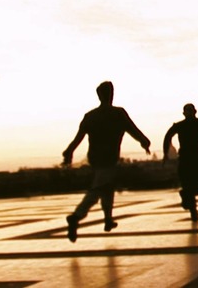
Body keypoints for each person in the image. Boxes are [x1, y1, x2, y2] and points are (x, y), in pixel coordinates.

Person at [62, 81, 151, 242]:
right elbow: (132, 129)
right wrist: (144, 141)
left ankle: (108, 219)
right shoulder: (118, 113)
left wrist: (69, 152)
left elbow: (78, 138)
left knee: (107, 186)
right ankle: (76, 216)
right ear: (110, 94)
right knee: (99, 188)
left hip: (95, 157)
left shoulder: (90, 116)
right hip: (109, 156)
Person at [163, 103, 198, 222]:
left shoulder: (184, 125)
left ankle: (186, 196)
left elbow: (167, 137)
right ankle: (193, 210)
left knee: (194, 186)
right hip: (192, 158)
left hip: (189, 158)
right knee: (192, 185)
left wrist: (165, 153)